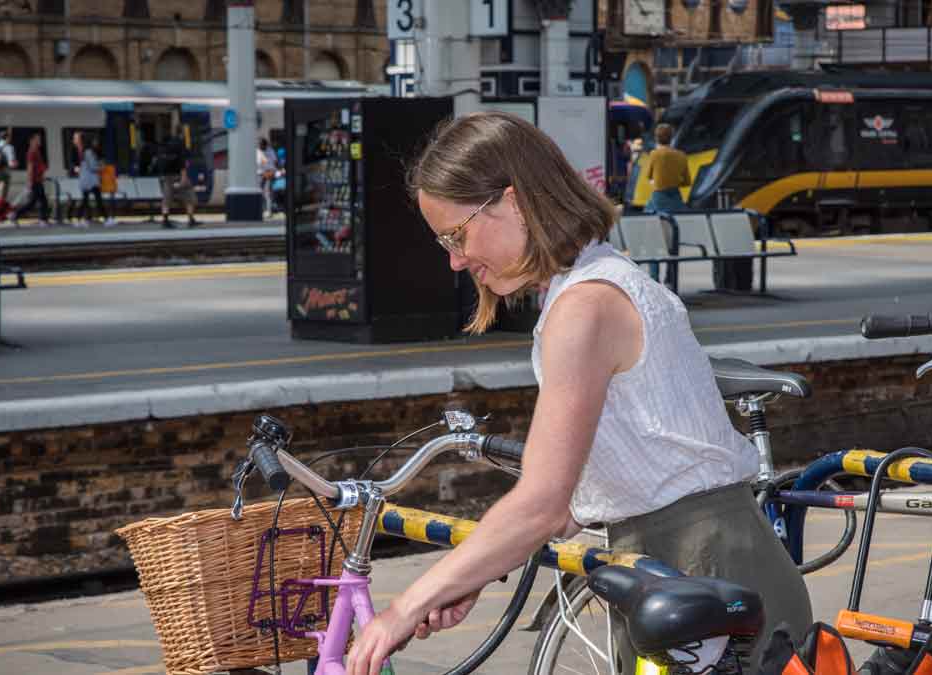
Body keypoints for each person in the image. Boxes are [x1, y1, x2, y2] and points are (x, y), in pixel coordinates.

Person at [343, 112, 811, 675]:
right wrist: (471, 574)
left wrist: (404, 608)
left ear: (512, 202)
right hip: (681, 565)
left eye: (455, 234)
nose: (455, 259)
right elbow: (578, 498)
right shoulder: (595, 281)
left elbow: (541, 504)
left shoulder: (584, 307)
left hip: (701, 561)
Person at [643, 122, 690, 215]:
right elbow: (687, 182)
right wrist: (674, 181)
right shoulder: (682, 155)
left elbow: (648, 176)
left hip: (658, 198)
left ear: (656, 138)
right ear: (671, 137)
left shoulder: (654, 154)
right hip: (676, 198)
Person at [10, 133, 51, 227]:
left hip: (38, 179)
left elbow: (38, 166)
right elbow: (30, 167)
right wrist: (30, 181)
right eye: (37, 139)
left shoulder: (36, 151)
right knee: (32, 202)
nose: (39, 141)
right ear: (32, 141)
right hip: (35, 180)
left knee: (43, 200)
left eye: (39, 139)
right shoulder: (32, 152)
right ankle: (15, 214)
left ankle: (43, 219)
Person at [158, 137, 197, 228]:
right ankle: (191, 219)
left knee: (166, 199)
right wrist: (183, 181)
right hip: (178, 177)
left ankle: (165, 220)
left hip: (166, 178)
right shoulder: (180, 152)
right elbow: (183, 168)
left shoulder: (163, 153)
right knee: (189, 198)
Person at [75, 137, 108, 227]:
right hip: (90, 181)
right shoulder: (89, 153)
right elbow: (92, 167)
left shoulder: (88, 152)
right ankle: (106, 219)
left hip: (88, 181)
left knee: (87, 200)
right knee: (97, 200)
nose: (96, 144)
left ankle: (79, 220)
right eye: (95, 142)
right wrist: (102, 168)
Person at [0, 130, 18, 200]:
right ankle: (0, 206)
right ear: (7, 138)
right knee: (3, 194)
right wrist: (15, 164)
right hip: (5, 172)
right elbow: (11, 163)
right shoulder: (9, 147)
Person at [257, 137, 278, 216]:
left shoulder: (270, 151)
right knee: (259, 192)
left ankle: (269, 211)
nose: (261, 147)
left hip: (269, 173)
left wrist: (274, 171)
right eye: (260, 145)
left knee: (268, 193)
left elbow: (275, 161)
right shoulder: (257, 151)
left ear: (265, 145)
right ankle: (261, 210)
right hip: (260, 174)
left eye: (262, 145)